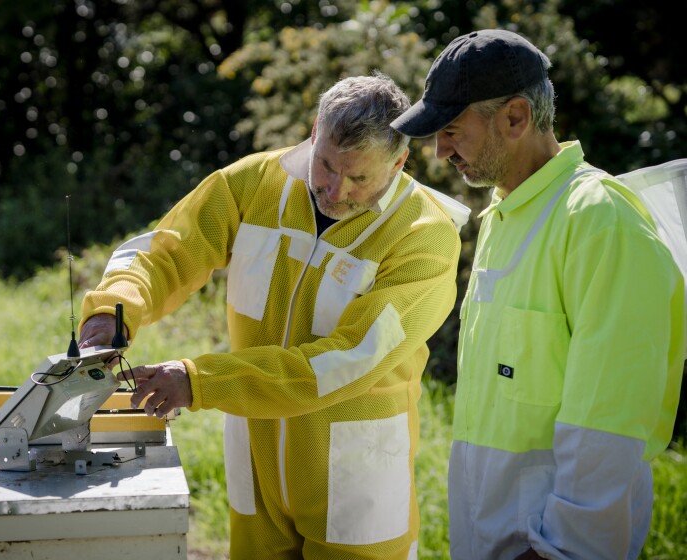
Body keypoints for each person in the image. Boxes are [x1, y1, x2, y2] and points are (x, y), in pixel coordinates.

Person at [78, 73, 467, 560]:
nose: (335, 190)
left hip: (355, 474)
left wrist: (201, 381)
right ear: (314, 132)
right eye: (326, 165)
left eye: (359, 179)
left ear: (399, 162)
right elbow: (166, 253)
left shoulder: (425, 236)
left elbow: (348, 360)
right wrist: (113, 311)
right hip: (254, 455)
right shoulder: (253, 181)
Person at [390, 29, 685, 560]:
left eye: (452, 130)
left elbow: (610, 422)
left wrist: (560, 549)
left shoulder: (600, 221)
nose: (440, 151)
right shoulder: (504, 214)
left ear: (515, 117)